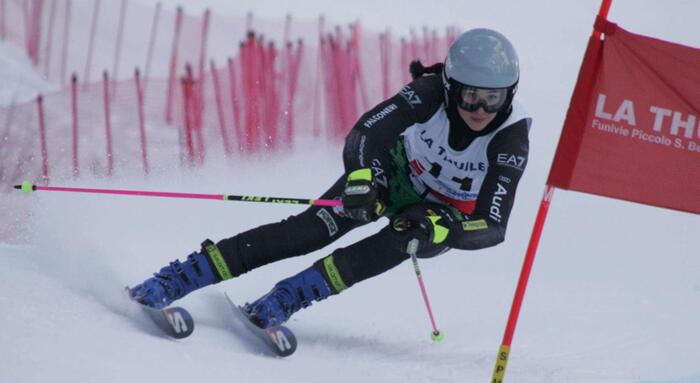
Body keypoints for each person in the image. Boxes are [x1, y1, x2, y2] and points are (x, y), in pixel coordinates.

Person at [129, 28, 531, 329]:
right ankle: (184, 275)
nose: (480, 109)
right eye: (470, 96)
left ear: (508, 96)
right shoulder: (427, 94)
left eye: (493, 98)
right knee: (307, 231)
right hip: (394, 172)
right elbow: (367, 133)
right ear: (450, 87)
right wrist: (364, 179)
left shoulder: (510, 138)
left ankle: (286, 298)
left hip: (439, 214)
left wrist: (444, 230)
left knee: (394, 241)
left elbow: (493, 225)